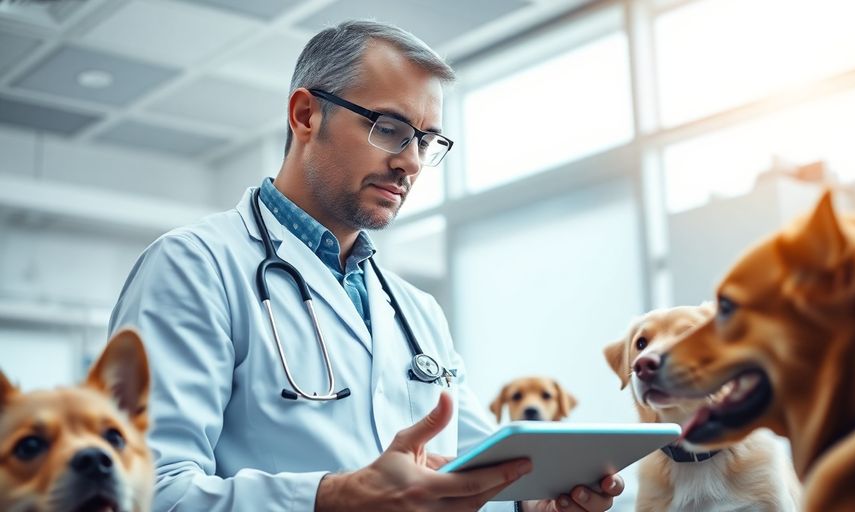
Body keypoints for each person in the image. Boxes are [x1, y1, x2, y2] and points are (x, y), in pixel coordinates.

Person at [108, 20, 623, 512]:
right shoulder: (194, 266)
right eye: (390, 127)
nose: (412, 162)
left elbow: (470, 475)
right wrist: (331, 500)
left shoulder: (418, 313)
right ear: (306, 115)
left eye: (426, 140)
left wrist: (530, 502)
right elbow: (148, 491)